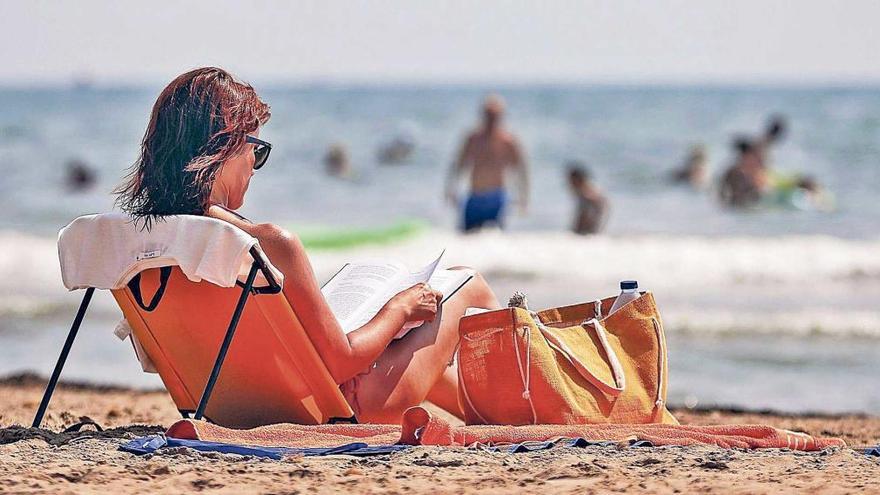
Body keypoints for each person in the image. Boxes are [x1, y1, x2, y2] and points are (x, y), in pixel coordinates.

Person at [115, 68, 501, 424]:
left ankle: (499, 412)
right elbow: (341, 362)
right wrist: (400, 308)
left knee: (412, 355)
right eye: (256, 150)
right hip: (341, 409)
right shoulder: (265, 244)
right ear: (227, 147)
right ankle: (530, 396)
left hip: (227, 407)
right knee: (466, 283)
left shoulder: (147, 242)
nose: (254, 164)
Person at [446, 95, 528, 232]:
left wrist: (523, 197)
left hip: (496, 197)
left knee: (495, 235)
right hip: (475, 196)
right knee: (466, 234)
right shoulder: (472, 139)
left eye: (495, 115)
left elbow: (521, 171)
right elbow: (458, 165)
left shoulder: (508, 141)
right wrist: (451, 189)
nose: (491, 119)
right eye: (488, 115)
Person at [719, 137, 767, 208]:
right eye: (755, 156)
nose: (758, 160)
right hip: (740, 208)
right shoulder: (734, 174)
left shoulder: (753, 173)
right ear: (745, 157)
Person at [567, 162, 609, 234]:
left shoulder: (585, 190)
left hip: (595, 215)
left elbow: (588, 210)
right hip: (597, 215)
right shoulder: (586, 188)